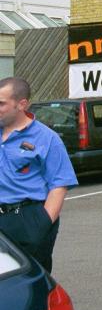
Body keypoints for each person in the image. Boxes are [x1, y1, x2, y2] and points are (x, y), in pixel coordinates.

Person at [0, 76, 78, 272]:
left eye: (1, 103)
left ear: (22, 104)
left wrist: (41, 224)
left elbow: (59, 185)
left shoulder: (47, 138)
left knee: (32, 280)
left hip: (28, 218)